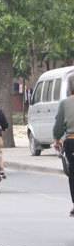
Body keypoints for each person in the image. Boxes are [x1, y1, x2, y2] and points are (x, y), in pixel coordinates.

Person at [53, 76, 74, 217]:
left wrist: (57, 139)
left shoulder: (65, 103)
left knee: (72, 173)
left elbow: (59, 125)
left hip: (71, 141)